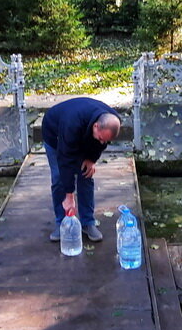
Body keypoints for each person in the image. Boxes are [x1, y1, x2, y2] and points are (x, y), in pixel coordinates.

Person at [42, 97, 122, 241]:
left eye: (106, 140)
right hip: (55, 134)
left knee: (86, 174)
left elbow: (101, 143)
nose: (103, 143)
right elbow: (65, 160)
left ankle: (88, 223)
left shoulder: (111, 120)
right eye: (101, 138)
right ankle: (62, 223)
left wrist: (92, 159)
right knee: (59, 178)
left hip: (83, 136)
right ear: (96, 126)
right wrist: (69, 195)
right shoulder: (71, 124)